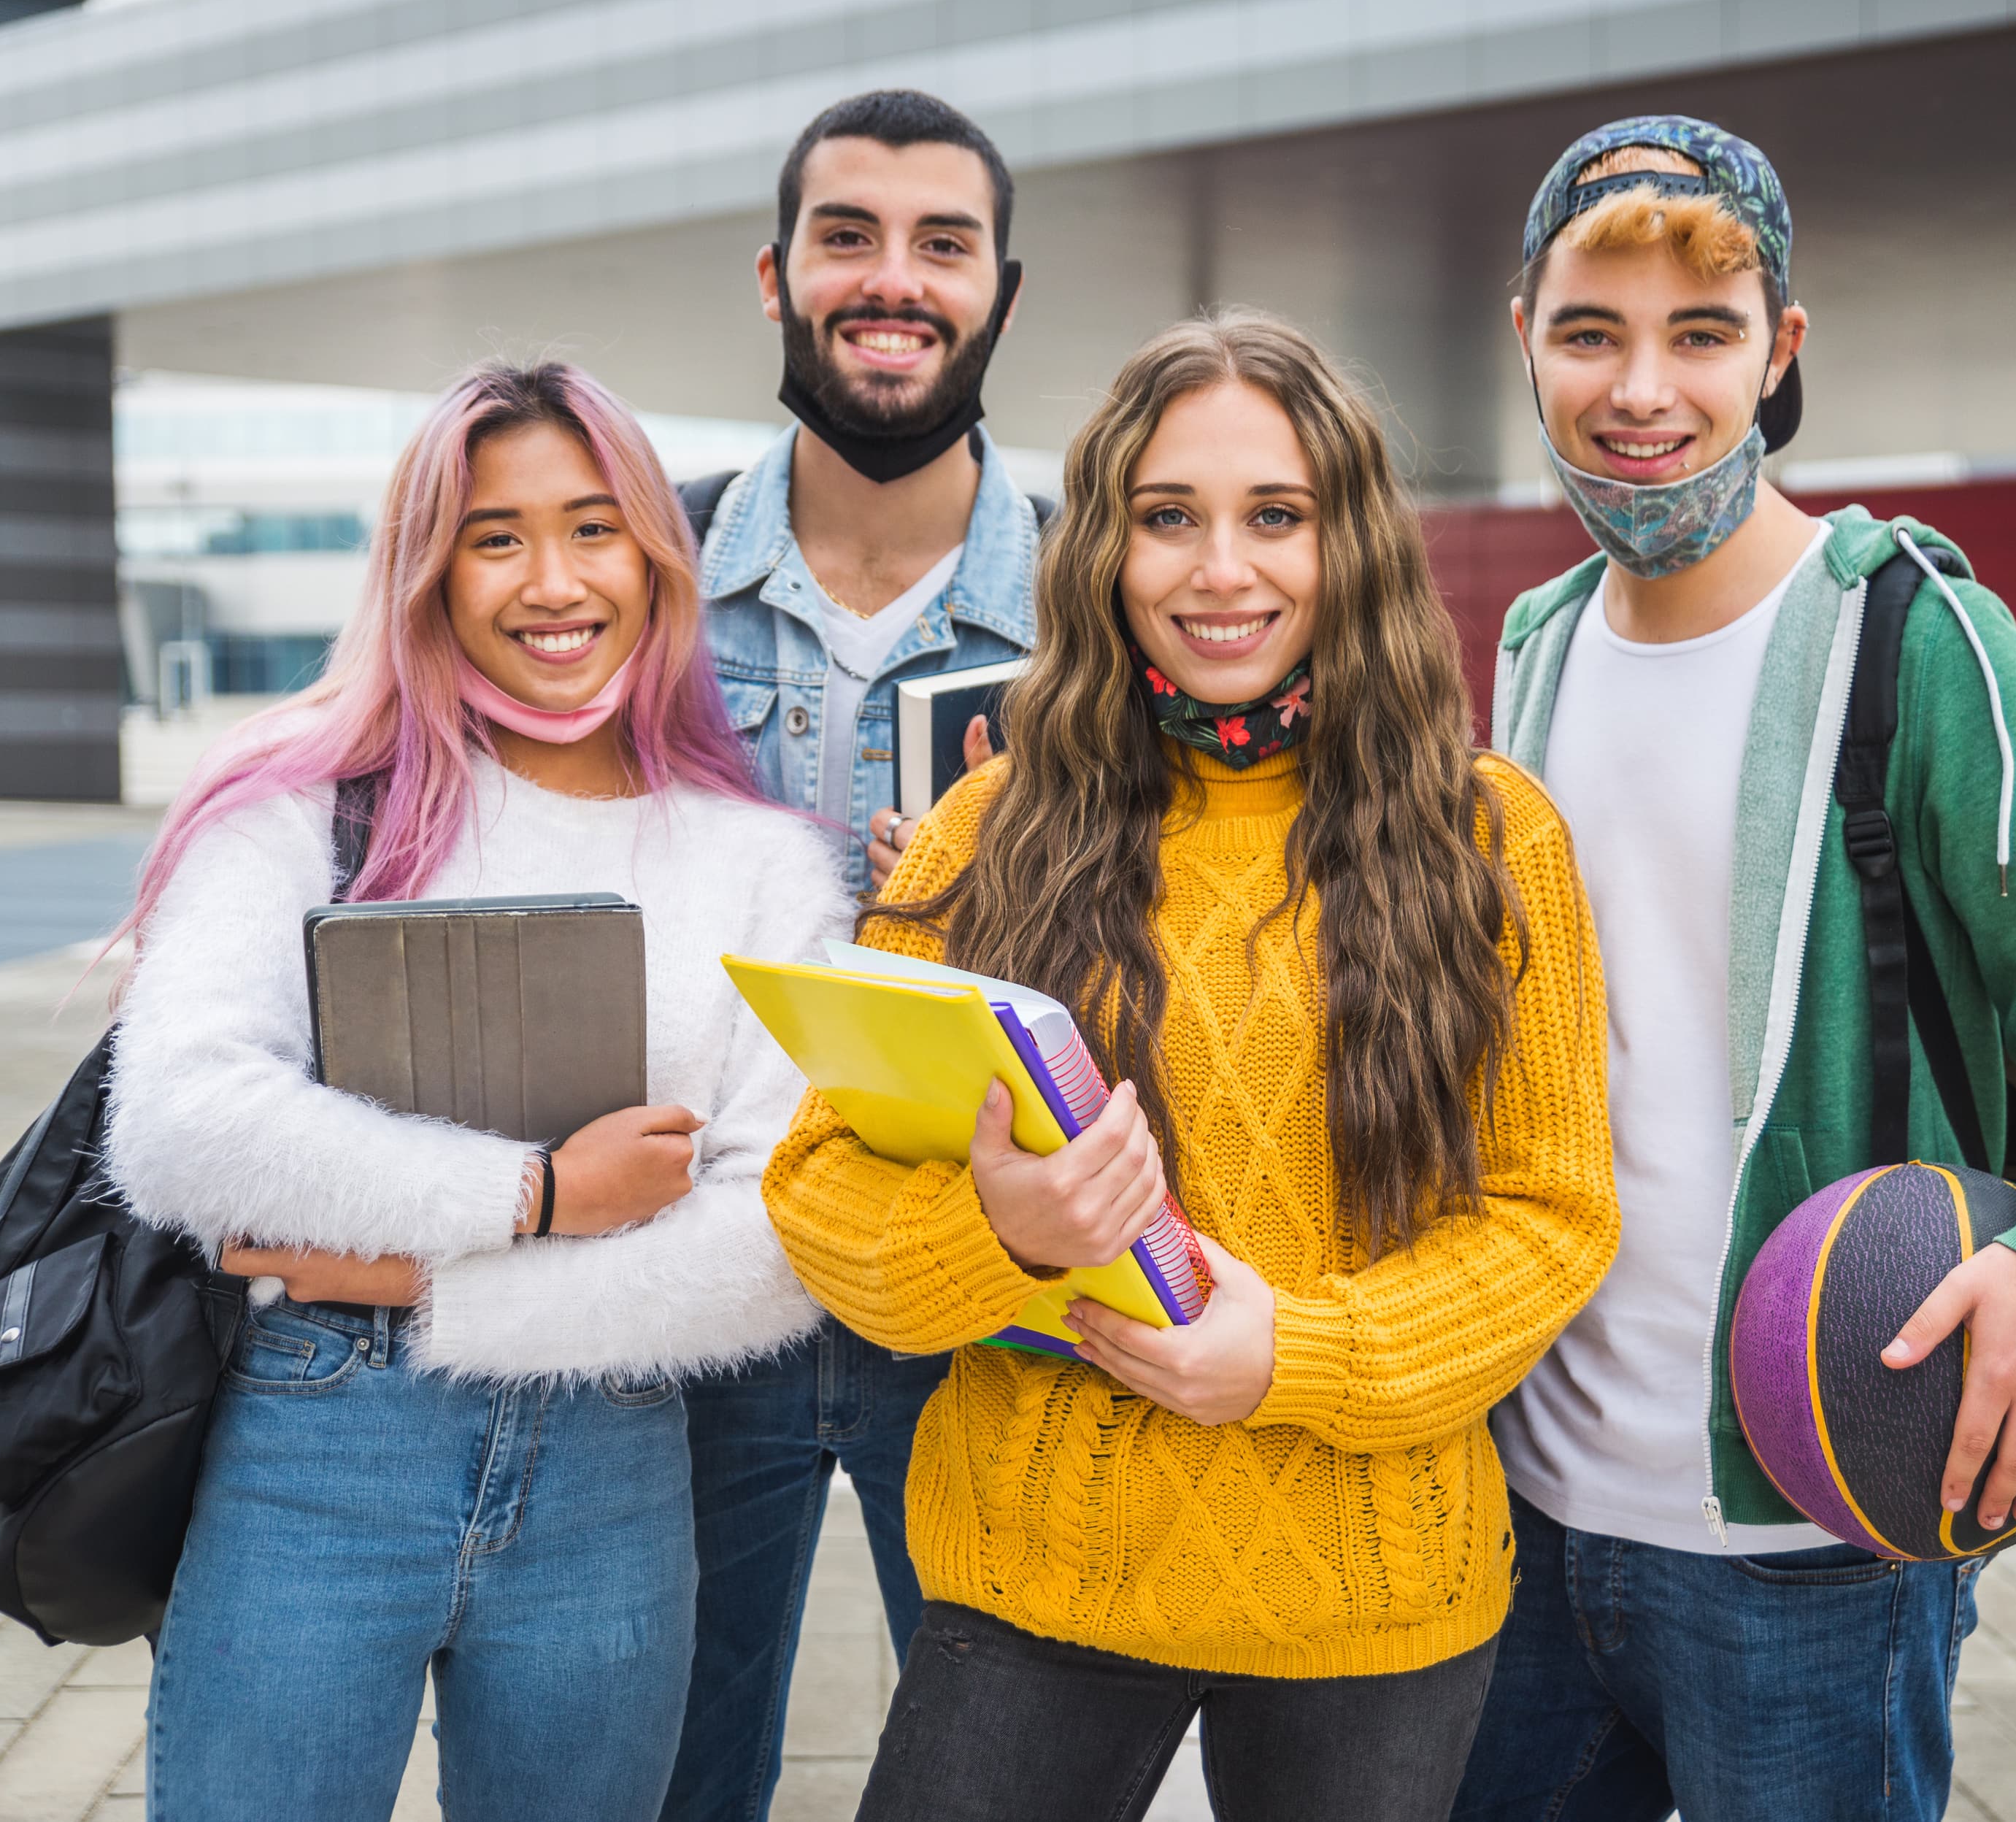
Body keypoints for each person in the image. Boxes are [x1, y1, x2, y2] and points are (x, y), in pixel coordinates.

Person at [760, 312, 1620, 1822]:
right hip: (1039, 1577)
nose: (1222, 571)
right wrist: (1005, 1229)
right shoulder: (987, 827)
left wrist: (1297, 1355)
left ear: (1349, 540)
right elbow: (821, 1187)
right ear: (1107, 546)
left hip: (1372, 1591)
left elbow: (1551, 1219)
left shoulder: (1495, 839)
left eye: (1275, 516)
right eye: (1170, 518)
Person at [1452, 118, 2016, 1822]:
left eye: (1701, 334)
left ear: (1779, 352)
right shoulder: (1535, 646)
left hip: (1810, 1530)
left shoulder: (1920, 632)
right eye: (1591, 331)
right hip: (1526, 1509)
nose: (1643, 389)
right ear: (1527, 341)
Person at [108, 361, 847, 1822]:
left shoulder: (760, 859)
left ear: (656, 555)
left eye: (594, 526)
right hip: (318, 1446)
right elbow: (183, 1119)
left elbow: (777, 1244)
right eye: (495, 535)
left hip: (615, 1467)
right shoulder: (302, 800)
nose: (552, 581)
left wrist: (405, 1279)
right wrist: (542, 1196)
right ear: (428, 569)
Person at [673, 88, 1040, 1819]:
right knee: (673, 1772)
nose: (893, 280)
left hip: (989, 1298)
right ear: (776, 274)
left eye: (941, 243)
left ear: (1000, 294)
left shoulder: (1112, 608)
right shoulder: (636, 575)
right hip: (687, 1286)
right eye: (849, 235)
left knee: (1013, 1783)